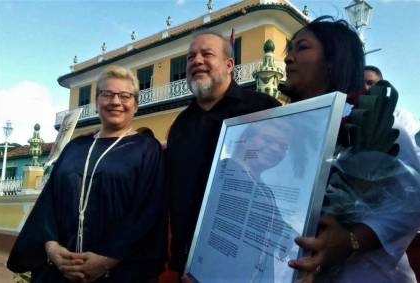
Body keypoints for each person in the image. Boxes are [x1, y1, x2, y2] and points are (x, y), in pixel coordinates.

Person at [283, 17, 420, 282]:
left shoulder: (387, 117)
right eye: (289, 50)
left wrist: (351, 240)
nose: (288, 58)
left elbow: (414, 200)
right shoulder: (291, 128)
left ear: (333, 61)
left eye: (302, 47)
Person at [8, 65, 167, 283]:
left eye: (125, 95)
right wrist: (52, 247)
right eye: (107, 94)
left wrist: (106, 259)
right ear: (96, 102)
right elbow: (48, 203)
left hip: (117, 272)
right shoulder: (75, 147)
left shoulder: (147, 149)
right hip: (57, 271)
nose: (115, 102)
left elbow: (147, 211)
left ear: (136, 105)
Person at [166, 30, 280, 279]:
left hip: (247, 266)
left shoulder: (262, 109)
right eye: (190, 57)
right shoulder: (180, 125)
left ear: (229, 65)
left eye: (207, 54)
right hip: (187, 264)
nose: (196, 61)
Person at [364, 65, 420, 164]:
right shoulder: (353, 120)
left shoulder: (402, 117)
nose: (365, 88)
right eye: (360, 84)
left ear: (383, 87)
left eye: (370, 83)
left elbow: (416, 153)